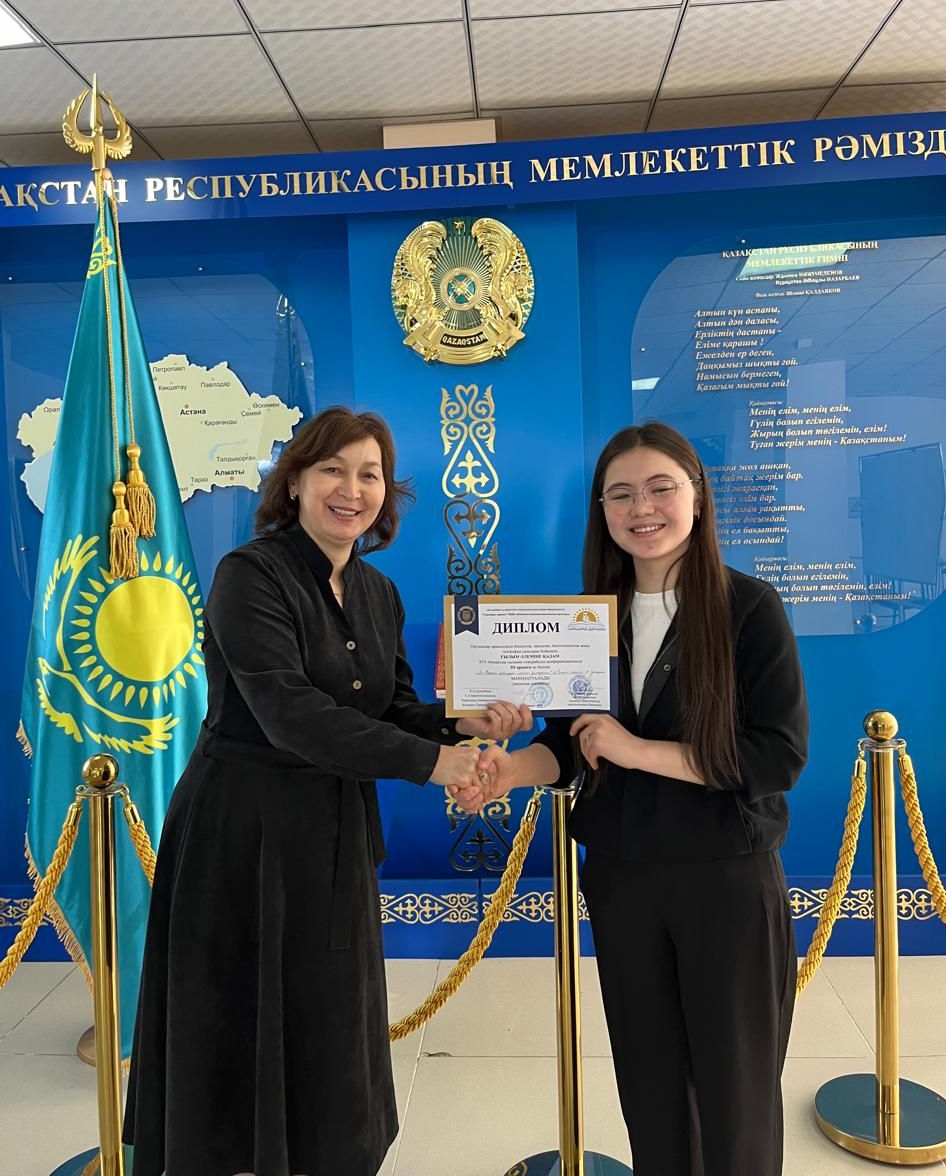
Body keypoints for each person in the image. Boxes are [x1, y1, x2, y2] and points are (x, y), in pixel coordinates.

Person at [124, 407, 531, 1176]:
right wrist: (437, 764)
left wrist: (461, 722)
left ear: (387, 492)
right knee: (237, 1019)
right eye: (333, 470)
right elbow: (292, 714)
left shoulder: (378, 592)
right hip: (242, 839)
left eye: (369, 474)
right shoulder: (249, 575)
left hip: (336, 833)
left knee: (330, 1017)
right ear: (295, 483)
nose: (352, 489)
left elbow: (389, 707)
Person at [461, 422, 808, 1176]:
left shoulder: (749, 608)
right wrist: (504, 772)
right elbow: (569, 747)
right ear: (602, 511)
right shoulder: (593, 615)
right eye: (620, 494)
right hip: (623, 881)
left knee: (736, 1095)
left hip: (724, 880)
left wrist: (639, 750)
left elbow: (777, 756)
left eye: (660, 488)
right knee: (650, 1089)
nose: (640, 508)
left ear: (697, 497)